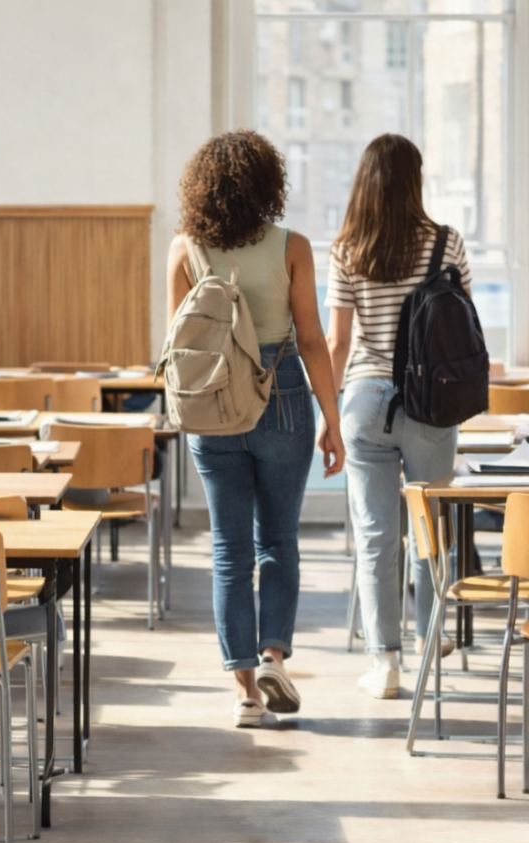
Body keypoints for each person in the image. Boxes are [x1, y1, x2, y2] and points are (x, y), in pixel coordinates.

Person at [167, 129, 345, 728]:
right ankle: (274, 656)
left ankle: (244, 693)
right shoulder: (292, 246)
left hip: (214, 401)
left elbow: (180, 346)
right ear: (270, 185)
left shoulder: (184, 250)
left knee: (229, 549)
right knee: (279, 541)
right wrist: (332, 419)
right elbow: (314, 340)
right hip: (283, 395)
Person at [322, 133, 474, 700]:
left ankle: (385, 662)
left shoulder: (346, 249)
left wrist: (329, 416)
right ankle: (431, 639)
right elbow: (461, 328)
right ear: (416, 180)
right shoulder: (447, 242)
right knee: (430, 528)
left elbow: (338, 343)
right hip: (431, 403)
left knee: (375, 534)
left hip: (364, 401)